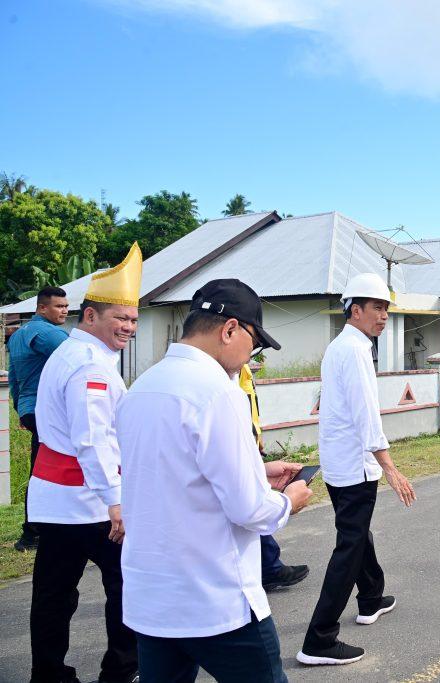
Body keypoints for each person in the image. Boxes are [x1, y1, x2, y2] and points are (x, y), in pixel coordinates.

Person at [118, 278, 314, 682]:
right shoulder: (218, 393)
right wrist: (288, 501)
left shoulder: (140, 389)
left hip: (152, 599)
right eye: (253, 343)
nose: (250, 357)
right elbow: (251, 511)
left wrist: (257, 471)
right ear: (230, 330)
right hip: (215, 601)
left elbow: (170, 473)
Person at [27, 247, 141, 683]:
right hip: (90, 501)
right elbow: (91, 439)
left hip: (60, 498)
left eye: (133, 320)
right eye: (120, 319)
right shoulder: (90, 364)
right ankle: (121, 669)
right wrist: (115, 501)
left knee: (54, 594)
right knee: (125, 585)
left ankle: (49, 674)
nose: (129, 328)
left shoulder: (76, 355)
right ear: (89, 316)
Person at [298, 272, 416, 666]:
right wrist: (391, 467)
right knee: (349, 545)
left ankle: (370, 598)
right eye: (377, 308)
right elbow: (367, 413)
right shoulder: (355, 350)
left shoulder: (343, 346)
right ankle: (319, 639)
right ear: (355, 309)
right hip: (353, 464)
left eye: (386, 308)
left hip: (340, 461)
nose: (383, 316)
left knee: (357, 531)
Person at [238, 362, 310, 592]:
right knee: (251, 507)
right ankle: (269, 568)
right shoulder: (220, 383)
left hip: (251, 449)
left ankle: (269, 567)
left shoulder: (243, 369)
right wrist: (287, 504)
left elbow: (250, 409)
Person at [7, 286, 69, 552]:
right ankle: (35, 532)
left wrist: (21, 409)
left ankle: (34, 532)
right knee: (53, 470)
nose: (64, 311)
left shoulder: (19, 335)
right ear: (42, 308)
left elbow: (13, 377)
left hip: (30, 409)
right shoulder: (48, 333)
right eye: (58, 306)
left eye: (66, 306)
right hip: (48, 411)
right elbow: (78, 359)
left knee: (40, 470)